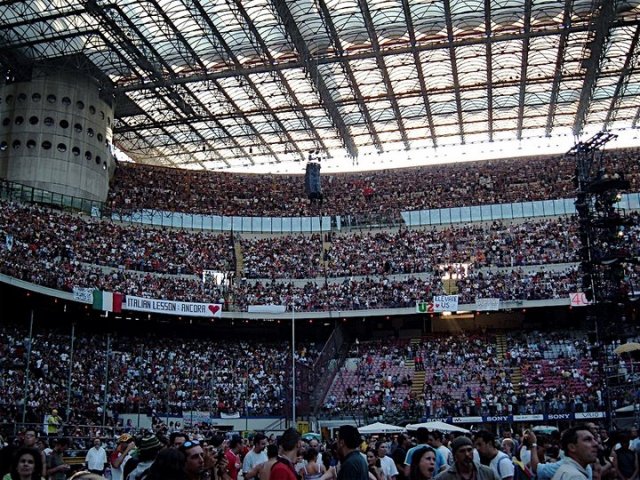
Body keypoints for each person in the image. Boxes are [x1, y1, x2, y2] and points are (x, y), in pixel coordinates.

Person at [435, 436, 499, 480]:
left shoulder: (487, 472)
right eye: (462, 451)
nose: (467, 454)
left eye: (469, 450)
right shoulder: (444, 477)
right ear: (455, 455)